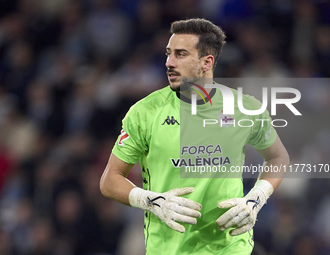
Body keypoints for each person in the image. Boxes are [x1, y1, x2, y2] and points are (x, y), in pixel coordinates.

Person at [100, 18, 289, 254]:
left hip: (230, 247)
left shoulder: (244, 107)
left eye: (180, 54)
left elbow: (278, 157)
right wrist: (152, 201)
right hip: (168, 248)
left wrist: (255, 199)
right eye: (168, 54)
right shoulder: (145, 112)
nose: (169, 62)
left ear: (206, 62)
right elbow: (109, 181)